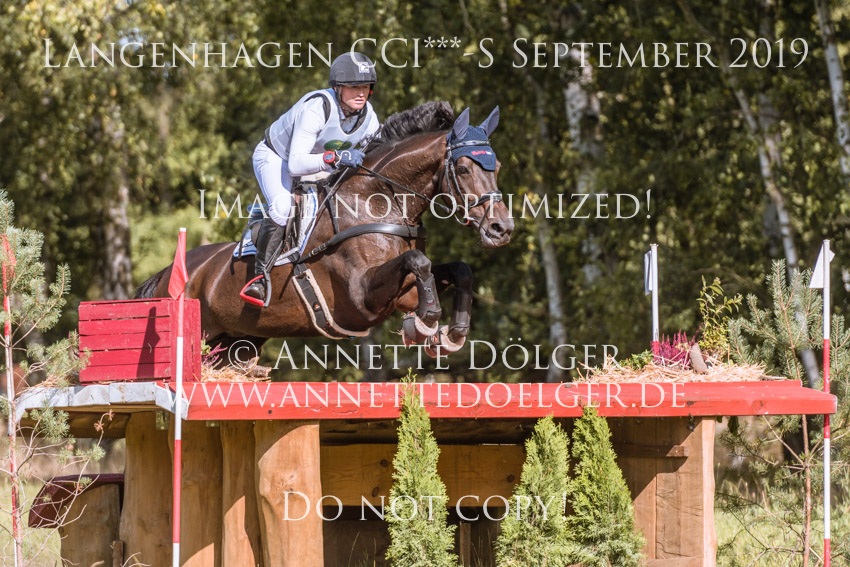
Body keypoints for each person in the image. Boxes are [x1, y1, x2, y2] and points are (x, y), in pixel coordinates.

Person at [241, 52, 381, 307]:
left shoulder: (369, 118)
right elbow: (295, 164)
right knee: (283, 207)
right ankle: (259, 278)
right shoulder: (317, 107)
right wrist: (335, 157)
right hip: (277, 158)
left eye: (365, 87)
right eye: (354, 87)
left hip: (317, 164)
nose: (361, 93)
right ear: (338, 87)